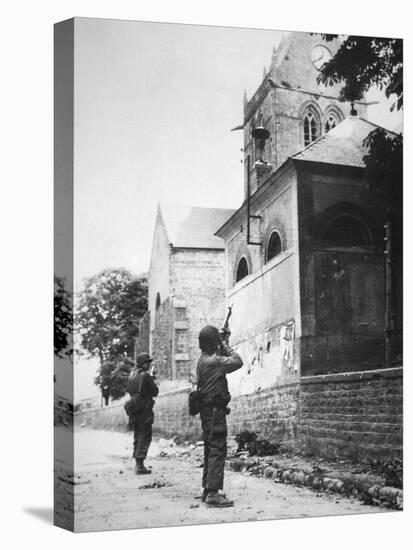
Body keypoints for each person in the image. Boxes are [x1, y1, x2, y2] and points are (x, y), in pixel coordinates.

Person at [196, 325, 243, 507]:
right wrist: (223, 342)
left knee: (210, 447)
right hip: (215, 412)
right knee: (217, 447)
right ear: (213, 342)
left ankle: (207, 488)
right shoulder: (213, 362)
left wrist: (220, 341)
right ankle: (213, 493)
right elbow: (237, 361)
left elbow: (223, 359)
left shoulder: (202, 360)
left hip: (207, 411)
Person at [126, 352, 159, 475]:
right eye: (147, 363)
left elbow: (129, 390)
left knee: (137, 435)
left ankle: (137, 463)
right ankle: (140, 465)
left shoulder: (132, 375)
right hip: (144, 410)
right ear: (143, 364)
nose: (149, 365)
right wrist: (152, 379)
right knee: (145, 436)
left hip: (134, 410)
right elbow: (155, 392)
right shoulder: (145, 376)